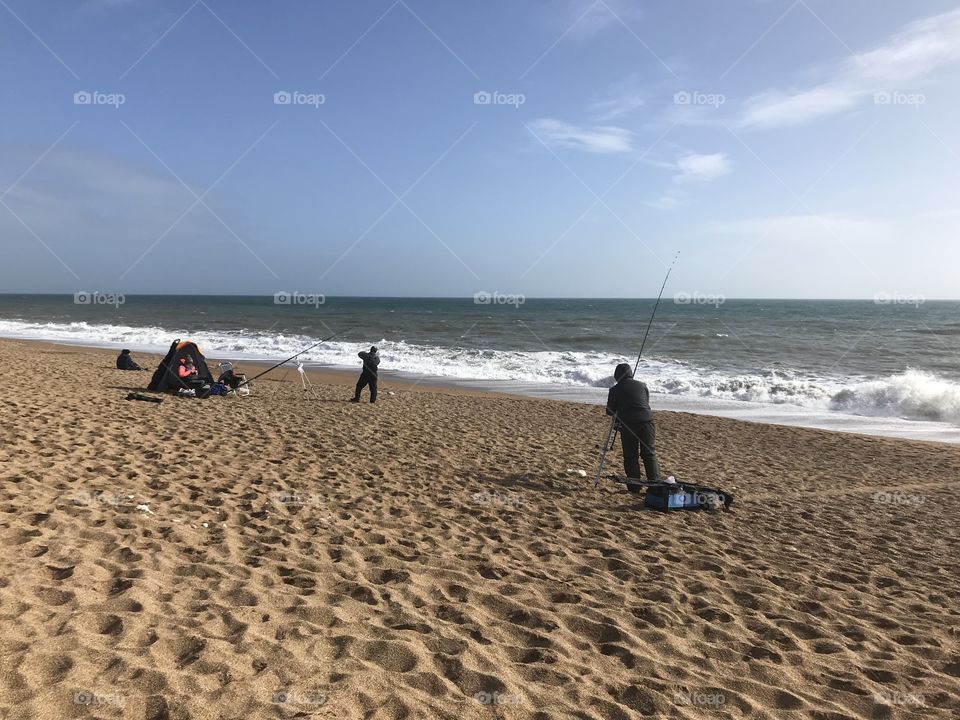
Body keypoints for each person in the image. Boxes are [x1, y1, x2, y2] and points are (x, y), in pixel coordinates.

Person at [606, 362, 661, 492]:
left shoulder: (614, 389)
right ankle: (656, 485)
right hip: (648, 422)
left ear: (617, 375)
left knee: (631, 456)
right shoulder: (642, 386)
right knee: (649, 454)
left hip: (628, 425)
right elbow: (645, 402)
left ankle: (634, 486)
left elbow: (609, 411)